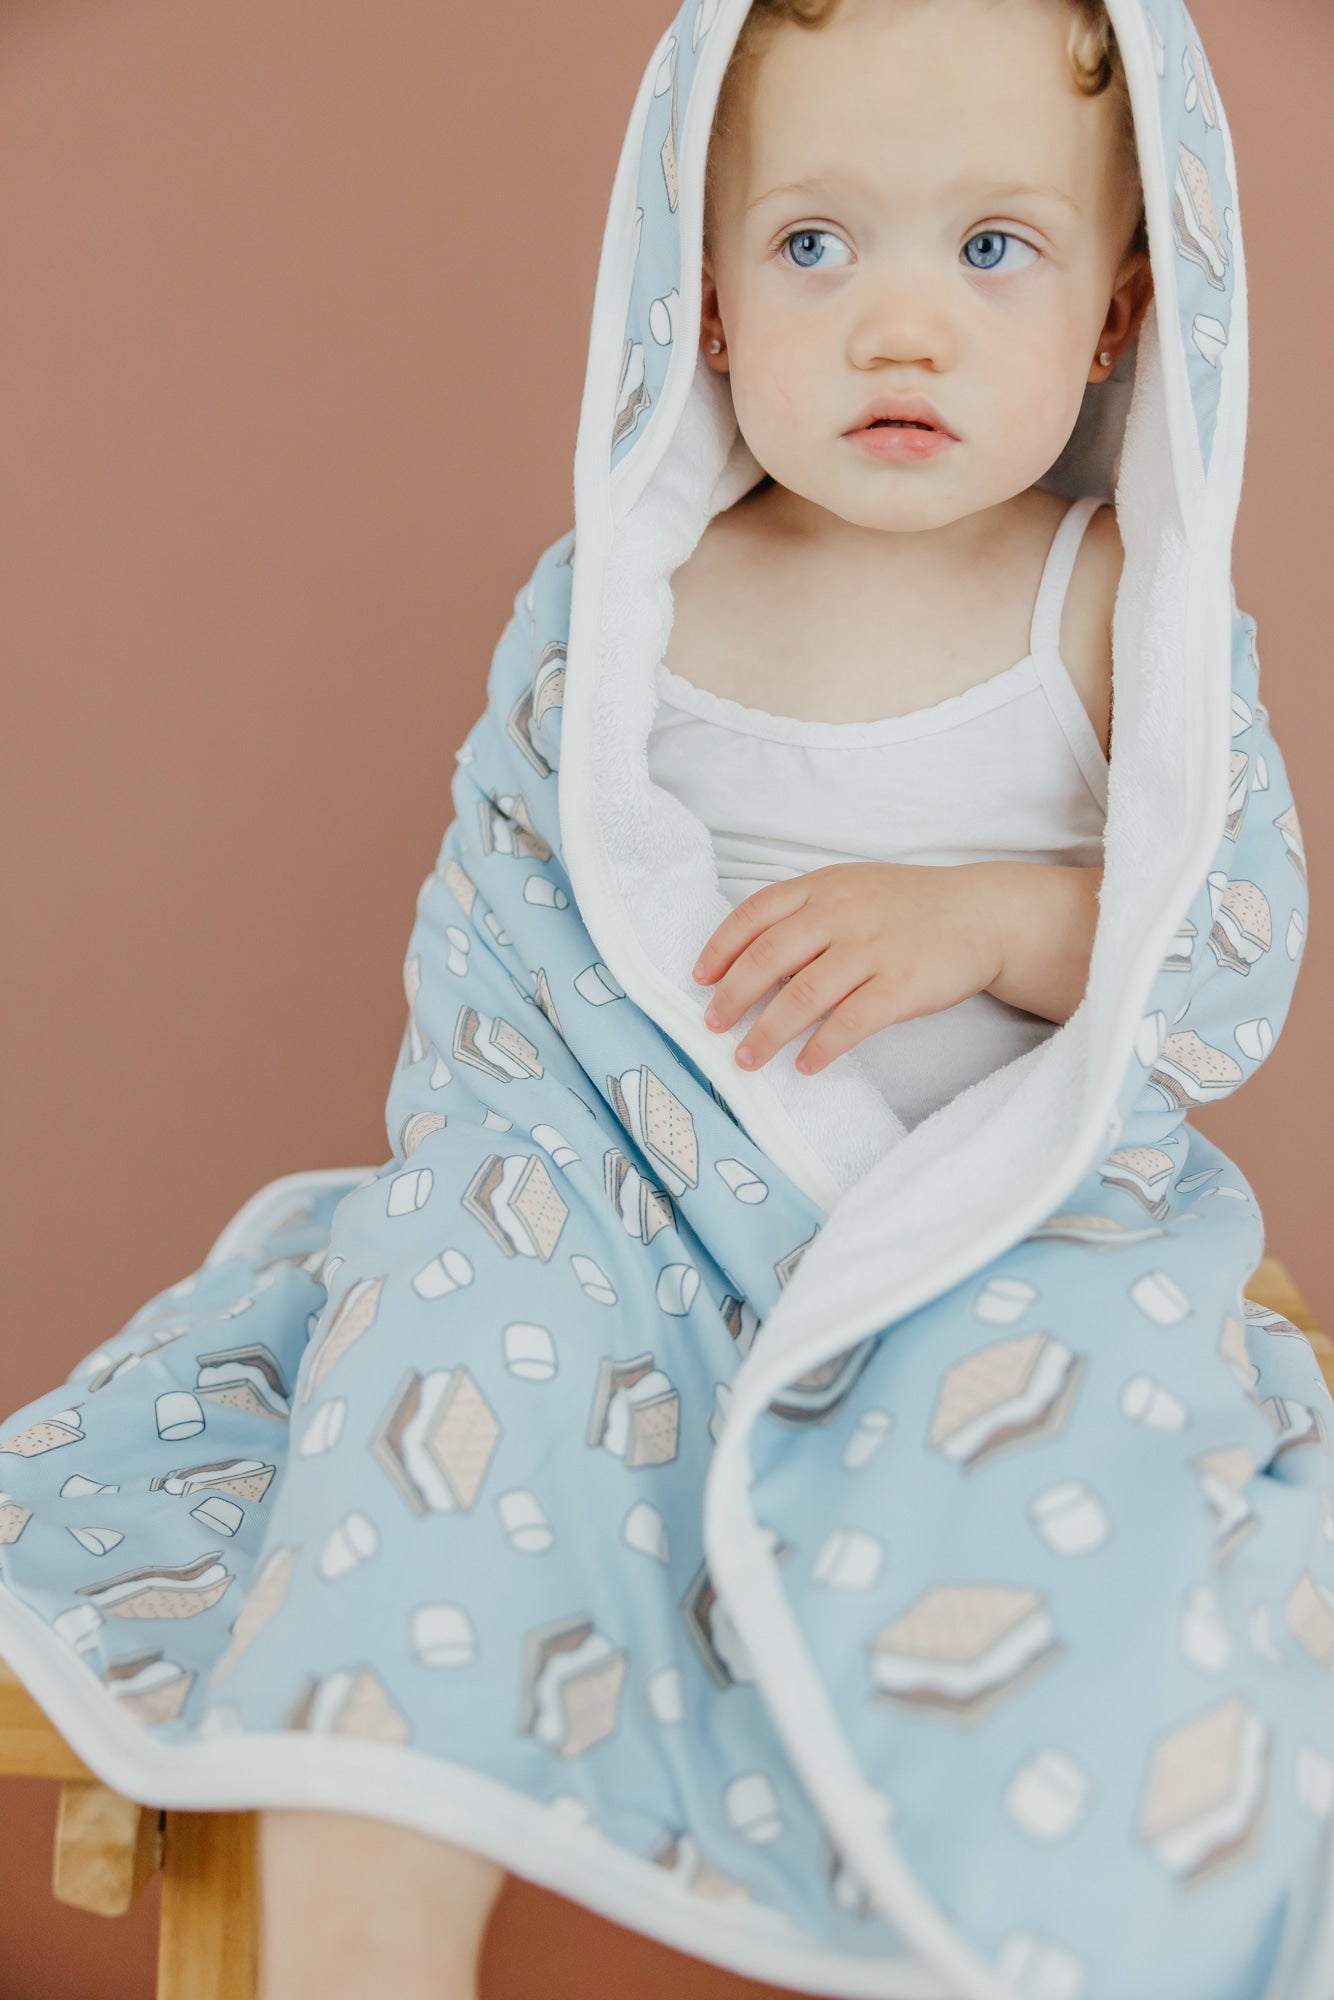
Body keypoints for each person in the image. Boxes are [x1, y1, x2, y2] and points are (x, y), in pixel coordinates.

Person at [3, 5, 1328, 2000]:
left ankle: (1033, 1855)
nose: (898, 324)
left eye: (992, 248)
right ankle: (367, 1905)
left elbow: (1221, 944)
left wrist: (992, 923)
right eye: (813, 244)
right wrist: (531, 1186)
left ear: (1121, 313)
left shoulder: (1111, 599)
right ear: (697, 299)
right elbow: (500, 958)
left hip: (972, 1246)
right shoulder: (627, 603)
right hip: (621, 1228)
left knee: (1060, 1474)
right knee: (448, 1295)